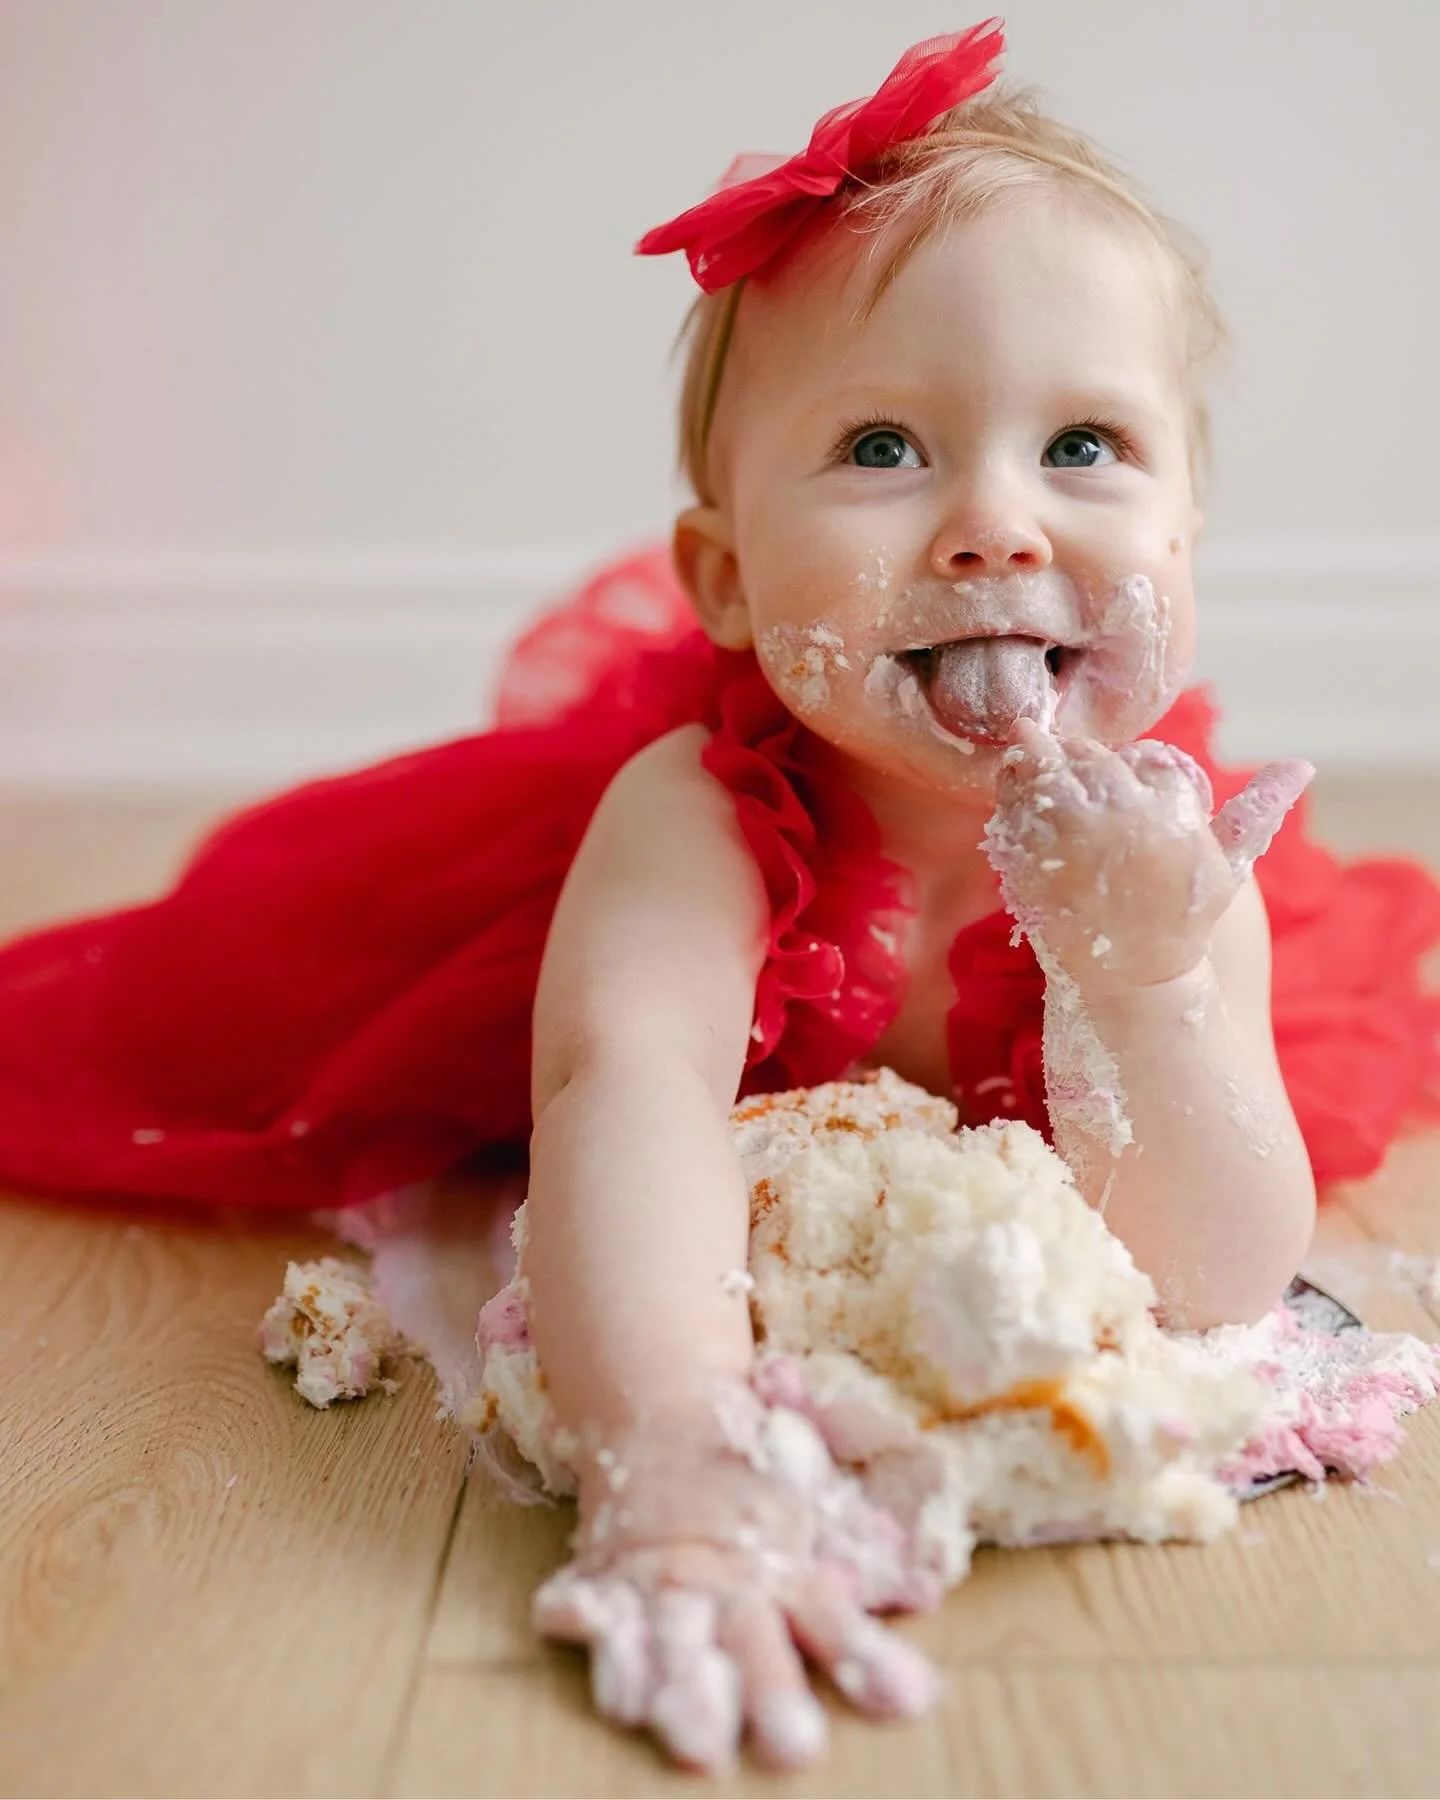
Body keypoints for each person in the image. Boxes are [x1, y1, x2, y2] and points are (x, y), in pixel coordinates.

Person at [2, 21, 1439, 1771]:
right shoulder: (699, 815)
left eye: (1083, 443)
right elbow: (633, 1092)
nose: (995, 523)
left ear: (1189, 537)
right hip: (615, 971)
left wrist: (1147, 989)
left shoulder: (1174, 865)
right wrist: (669, 1444)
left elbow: (1211, 1278)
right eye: (886, 446)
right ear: (730, 580)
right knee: (248, 1032)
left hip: (1134, 961)